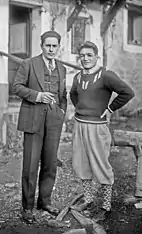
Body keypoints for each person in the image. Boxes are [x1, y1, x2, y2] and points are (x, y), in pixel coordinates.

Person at [70, 41, 134, 220]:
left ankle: (106, 206)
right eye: (82, 55)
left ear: (97, 57)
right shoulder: (78, 76)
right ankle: (89, 200)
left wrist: (110, 109)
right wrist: (81, 109)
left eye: (89, 55)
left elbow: (127, 92)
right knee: (81, 164)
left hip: (97, 128)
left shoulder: (105, 75)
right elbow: (73, 94)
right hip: (79, 125)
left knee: (100, 164)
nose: (86, 58)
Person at [12, 30, 67, 223]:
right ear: (41, 45)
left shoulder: (61, 68)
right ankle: (27, 208)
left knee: (50, 164)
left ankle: (45, 201)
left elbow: (63, 94)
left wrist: (61, 113)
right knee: (30, 165)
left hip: (54, 120)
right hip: (33, 118)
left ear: (58, 47)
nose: (51, 49)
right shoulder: (28, 64)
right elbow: (16, 87)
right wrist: (37, 96)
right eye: (48, 45)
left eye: (54, 46)